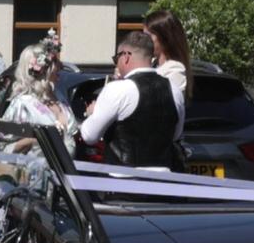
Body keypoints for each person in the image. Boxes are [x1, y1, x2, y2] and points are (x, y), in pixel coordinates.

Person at [79, 32, 185, 170]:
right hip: (164, 181)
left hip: (125, 181)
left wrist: (92, 113)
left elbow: (89, 135)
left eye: (116, 58)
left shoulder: (118, 89)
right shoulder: (174, 89)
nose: (116, 63)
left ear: (126, 56)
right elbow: (176, 134)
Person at [1, 37, 78, 141]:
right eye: (55, 61)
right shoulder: (23, 104)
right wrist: (35, 141)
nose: (61, 65)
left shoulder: (58, 96)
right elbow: (4, 146)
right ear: (42, 69)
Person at [145, 10, 193, 102]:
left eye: (148, 36)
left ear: (165, 37)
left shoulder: (175, 69)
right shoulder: (152, 63)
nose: (144, 41)